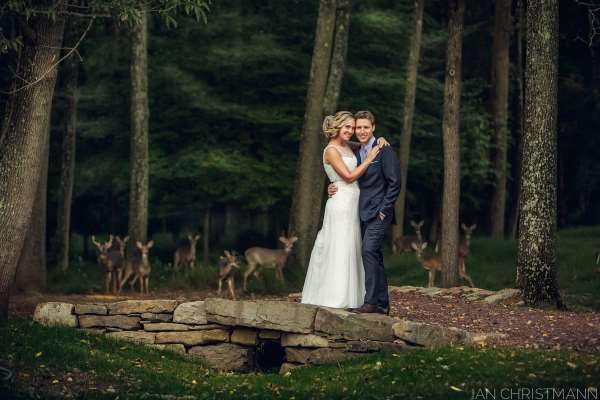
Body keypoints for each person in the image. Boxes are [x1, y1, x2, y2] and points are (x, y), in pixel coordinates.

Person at [301, 111, 386, 309]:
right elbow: (348, 177)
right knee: (339, 246)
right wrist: (369, 158)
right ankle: (335, 297)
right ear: (337, 127)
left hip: (354, 202)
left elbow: (367, 144)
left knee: (352, 246)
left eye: (352, 127)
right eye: (347, 127)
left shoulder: (348, 146)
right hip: (341, 203)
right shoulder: (331, 150)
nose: (351, 131)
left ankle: (354, 297)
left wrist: (379, 139)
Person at [328, 110, 401, 314]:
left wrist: (384, 211)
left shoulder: (384, 150)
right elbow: (341, 164)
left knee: (368, 250)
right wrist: (332, 184)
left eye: (365, 127)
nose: (361, 131)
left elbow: (395, 183)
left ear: (373, 128)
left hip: (379, 212)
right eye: (358, 127)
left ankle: (370, 302)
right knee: (374, 255)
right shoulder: (356, 150)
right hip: (360, 211)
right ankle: (382, 305)